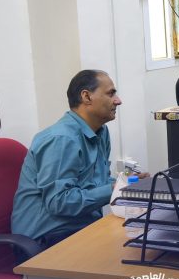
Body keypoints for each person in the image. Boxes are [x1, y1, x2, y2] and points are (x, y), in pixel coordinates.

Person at [12, 70, 122, 248]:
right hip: (47, 239)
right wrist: (115, 189)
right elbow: (59, 202)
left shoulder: (101, 132)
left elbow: (98, 182)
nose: (118, 101)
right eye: (111, 94)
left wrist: (127, 185)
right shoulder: (61, 139)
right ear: (86, 97)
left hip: (81, 227)